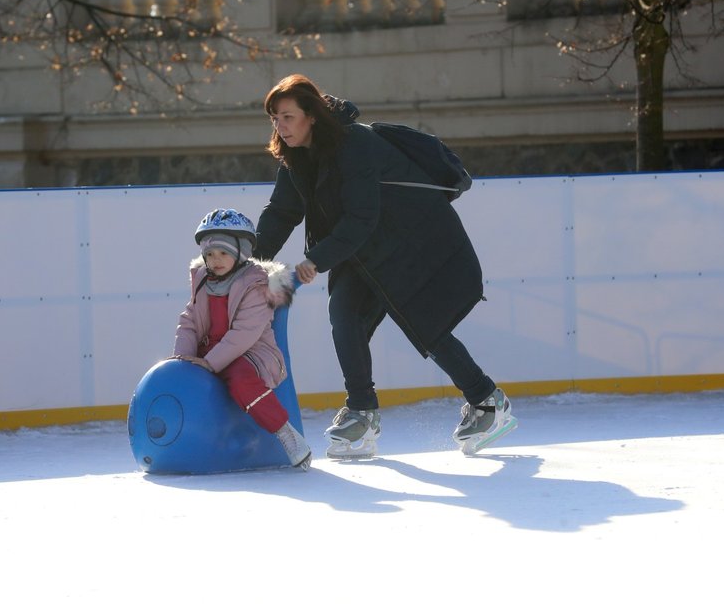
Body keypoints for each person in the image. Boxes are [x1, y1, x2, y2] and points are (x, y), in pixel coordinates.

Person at [252, 73, 517, 458]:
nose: (280, 126)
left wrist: (316, 260)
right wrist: (253, 264)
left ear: (311, 115)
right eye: (274, 118)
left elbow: (362, 217)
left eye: (287, 116)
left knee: (426, 325)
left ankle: (488, 402)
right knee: (344, 318)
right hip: (357, 250)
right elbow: (281, 211)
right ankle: (362, 412)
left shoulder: (354, 143)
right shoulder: (295, 158)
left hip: (407, 242)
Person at [173, 207, 312, 470]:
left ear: (242, 251)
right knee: (184, 376)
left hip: (251, 354)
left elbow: (244, 334)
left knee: (238, 378)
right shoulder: (202, 280)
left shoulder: (255, 284)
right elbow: (190, 319)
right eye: (210, 254)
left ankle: (285, 433)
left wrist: (210, 363)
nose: (216, 260)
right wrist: (184, 358)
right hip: (211, 352)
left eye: (224, 252)